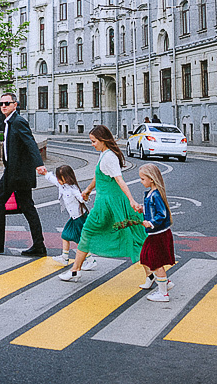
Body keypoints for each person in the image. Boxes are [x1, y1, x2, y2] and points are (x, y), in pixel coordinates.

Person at [60, 125, 146, 282]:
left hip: (107, 204)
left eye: (93, 141)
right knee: (133, 235)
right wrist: (87, 191)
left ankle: (75, 270)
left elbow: (120, 180)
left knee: (88, 232)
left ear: (102, 140)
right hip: (111, 202)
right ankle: (153, 275)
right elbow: (98, 177)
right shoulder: (105, 154)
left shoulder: (109, 158)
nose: (92, 144)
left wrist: (132, 200)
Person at [0, 92, 48, 257]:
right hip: (13, 171)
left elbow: (30, 143)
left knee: (1, 201)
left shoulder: (18, 121)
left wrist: (39, 164)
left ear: (15, 105)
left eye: (7, 103)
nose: (3, 106)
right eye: (1, 103)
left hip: (18, 174)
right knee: (26, 207)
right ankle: (38, 245)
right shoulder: (10, 122)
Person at [42, 164, 98, 269]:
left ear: (67, 178)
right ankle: (64, 257)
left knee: (79, 241)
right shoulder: (63, 186)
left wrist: (85, 196)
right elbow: (53, 180)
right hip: (74, 218)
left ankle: (91, 260)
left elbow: (81, 198)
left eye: (60, 178)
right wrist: (45, 173)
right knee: (65, 235)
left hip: (79, 218)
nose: (58, 180)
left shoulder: (73, 188)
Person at [137, 163, 176, 301]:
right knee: (146, 257)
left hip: (158, 234)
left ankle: (163, 293)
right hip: (154, 234)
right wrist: (143, 209)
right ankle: (166, 283)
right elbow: (153, 210)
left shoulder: (156, 195)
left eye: (142, 179)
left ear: (151, 179)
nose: (141, 182)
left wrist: (151, 223)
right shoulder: (151, 194)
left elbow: (162, 214)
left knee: (156, 261)